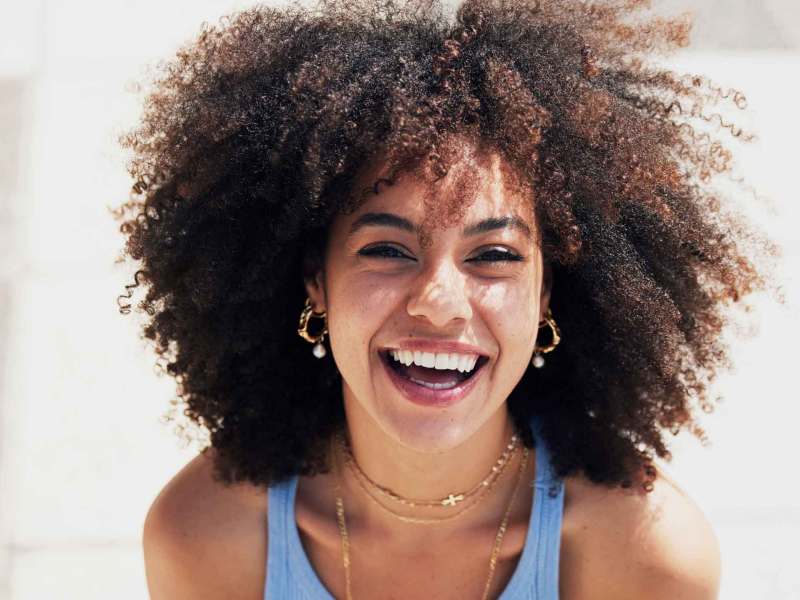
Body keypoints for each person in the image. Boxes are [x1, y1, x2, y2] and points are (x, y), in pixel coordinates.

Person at [114, 1, 781, 598]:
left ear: (547, 296)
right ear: (316, 279)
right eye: (387, 249)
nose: (438, 302)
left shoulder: (643, 555)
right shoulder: (209, 535)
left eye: (494, 255)